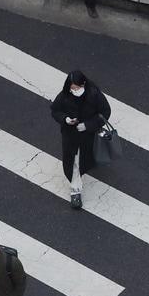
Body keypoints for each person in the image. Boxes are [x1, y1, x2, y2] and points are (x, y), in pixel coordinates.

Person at [50, 70, 112, 209]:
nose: (74, 91)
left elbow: (105, 112)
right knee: (74, 163)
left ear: (83, 84)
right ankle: (75, 190)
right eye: (72, 88)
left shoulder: (94, 94)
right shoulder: (64, 95)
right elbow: (55, 111)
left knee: (82, 160)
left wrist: (88, 125)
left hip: (87, 137)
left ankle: (77, 185)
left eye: (77, 88)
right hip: (70, 136)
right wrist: (66, 119)